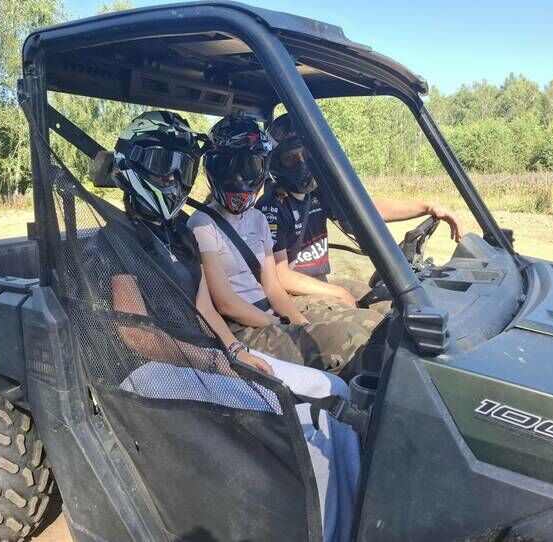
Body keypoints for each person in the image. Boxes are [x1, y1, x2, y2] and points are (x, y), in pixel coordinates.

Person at [99, 110, 360, 540]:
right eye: (163, 166)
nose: (172, 179)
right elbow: (136, 334)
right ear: (133, 165)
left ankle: (352, 523)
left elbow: (205, 304)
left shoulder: (178, 231)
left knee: (334, 390)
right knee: (304, 428)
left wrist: (234, 351)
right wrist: (213, 361)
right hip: (152, 371)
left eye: (182, 169)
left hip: (204, 355)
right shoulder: (118, 237)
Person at [188, 114, 378, 374]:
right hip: (242, 327)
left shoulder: (257, 219)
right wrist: (277, 323)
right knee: (347, 340)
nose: (240, 177)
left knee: (369, 326)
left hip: (270, 314)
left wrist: (299, 324)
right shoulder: (202, 224)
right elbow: (226, 303)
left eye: (251, 166)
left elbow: (273, 288)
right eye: (231, 167)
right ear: (215, 170)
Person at [257, 113, 464, 322]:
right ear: (277, 164)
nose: (302, 164)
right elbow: (281, 276)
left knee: (394, 303)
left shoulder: (318, 193)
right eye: (291, 158)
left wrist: (427, 207)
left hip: (320, 283)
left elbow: (367, 209)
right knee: (369, 323)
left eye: (305, 154)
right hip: (293, 296)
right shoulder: (272, 206)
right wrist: (338, 293)